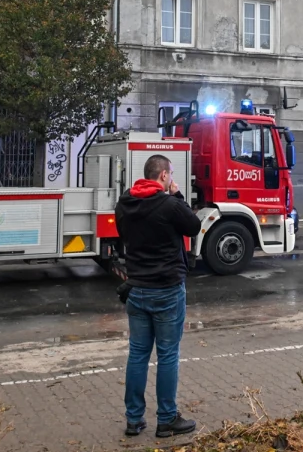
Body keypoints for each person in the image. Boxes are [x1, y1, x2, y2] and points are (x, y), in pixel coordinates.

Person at [114, 154, 202, 438]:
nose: (172, 179)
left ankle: (133, 419)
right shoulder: (168, 203)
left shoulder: (125, 203)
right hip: (167, 290)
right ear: (163, 175)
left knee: (137, 355)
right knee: (167, 355)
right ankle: (166, 420)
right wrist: (178, 196)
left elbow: (123, 237)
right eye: (171, 174)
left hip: (137, 290)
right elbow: (193, 226)